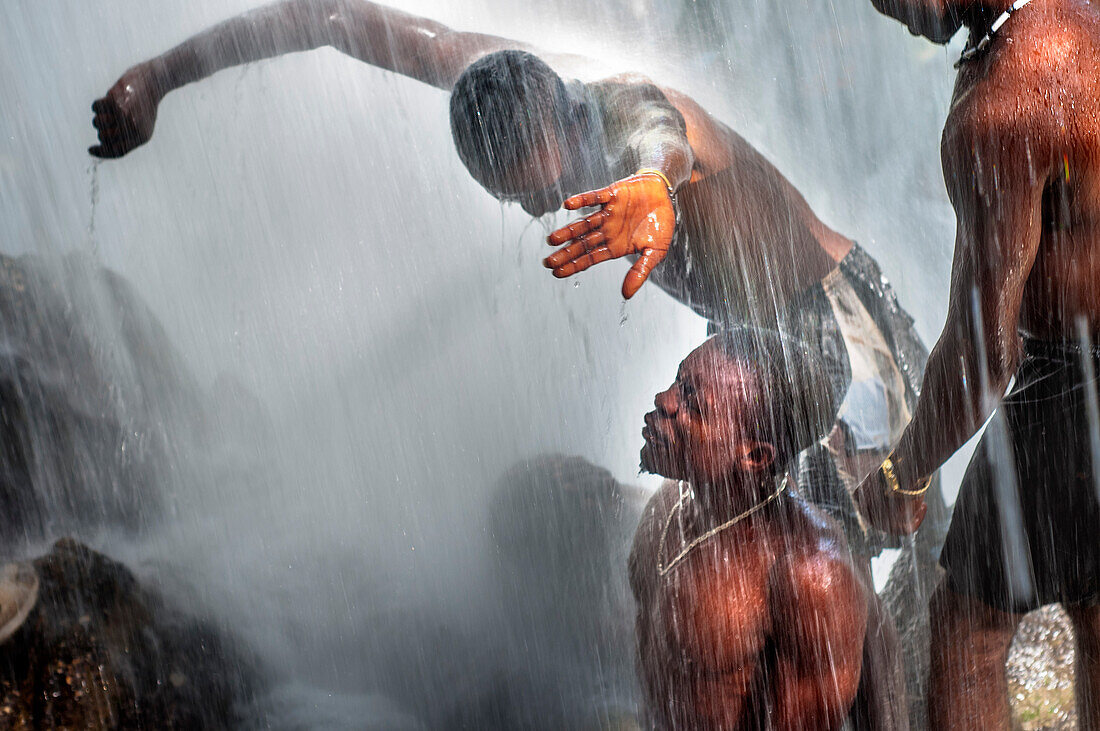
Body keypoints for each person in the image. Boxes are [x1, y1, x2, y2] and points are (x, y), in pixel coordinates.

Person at [858, 0, 1100, 727]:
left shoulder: (1005, 102)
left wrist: (905, 471)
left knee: (969, 636)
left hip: (1076, 376)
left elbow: (982, 355)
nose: (886, 8)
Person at [629, 328, 867, 729]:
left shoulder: (809, 576)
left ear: (755, 455)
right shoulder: (671, 503)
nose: (662, 400)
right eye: (677, 380)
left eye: (692, 404)